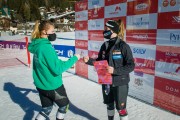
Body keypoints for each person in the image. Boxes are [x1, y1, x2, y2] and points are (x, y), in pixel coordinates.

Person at [28, 20, 80, 120]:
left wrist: (66, 63)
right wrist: (74, 59)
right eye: (52, 31)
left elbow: (50, 63)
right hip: (52, 86)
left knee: (46, 109)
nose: (54, 34)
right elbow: (57, 69)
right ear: (44, 32)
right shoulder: (46, 47)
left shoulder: (38, 45)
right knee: (64, 106)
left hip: (41, 85)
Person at [83, 20, 135, 120]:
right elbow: (99, 61)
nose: (104, 31)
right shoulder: (105, 45)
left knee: (121, 108)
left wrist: (115, 70)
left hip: (120, 82)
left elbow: (131, 66)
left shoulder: (123, 46)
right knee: (109, 105)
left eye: (107, 29)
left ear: (113, 30)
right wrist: (89, 61)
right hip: (106, 81)